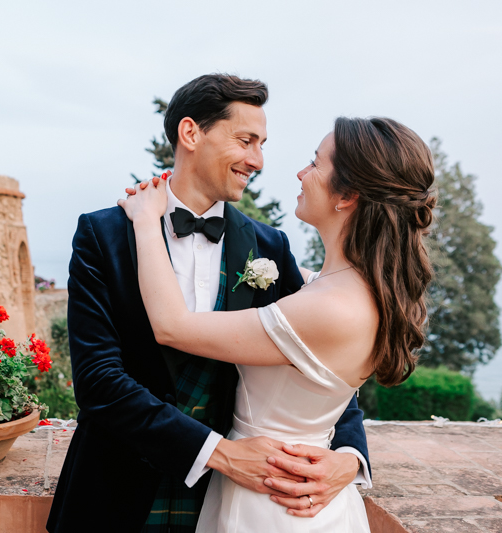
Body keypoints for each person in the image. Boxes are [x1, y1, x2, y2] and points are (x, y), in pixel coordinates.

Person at [46, 74, 371, 533]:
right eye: (246, 140)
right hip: (116, 494)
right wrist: (219, 453)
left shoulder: (269, 245)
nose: (257, 160)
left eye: (262, 144)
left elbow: (319, 359)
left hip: (230, 502)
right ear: (191, 133)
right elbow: (98, 380)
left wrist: (349, 456)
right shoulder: (105, 233)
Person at [118, 115, 435, 531]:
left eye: (315, 163)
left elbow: (172, 326)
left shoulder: (330, 308)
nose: (301, 173)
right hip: (302, 490)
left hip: (272, 503)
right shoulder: (342, 287)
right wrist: (348, 458)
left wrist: (145, 219)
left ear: (348, 195)